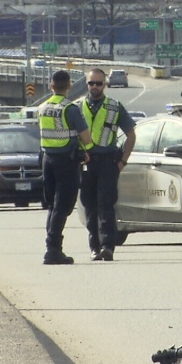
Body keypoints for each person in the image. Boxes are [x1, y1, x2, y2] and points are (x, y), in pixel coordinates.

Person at [78, 68, 137, 262]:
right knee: (90, 206)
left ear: (105, 85)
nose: (94, 87)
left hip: (108, 162)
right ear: (86, 85)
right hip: (86, 163)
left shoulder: (114, 106)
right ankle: (94, 247)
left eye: (98, 83)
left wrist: (122, 162)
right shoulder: (77, 107)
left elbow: (131, 134)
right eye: (91, 83)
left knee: (106, 205)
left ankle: (108, 247)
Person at [38, 69, 92, 265]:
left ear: (51, 86)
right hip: (66, 162)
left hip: (47, 160)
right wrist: (83, 147)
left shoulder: (42, 108)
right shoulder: (69, 109)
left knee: (53, 206)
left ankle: (51, 247)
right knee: (63, 206)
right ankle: (53, 250)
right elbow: (86, 138)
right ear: (69, 85)